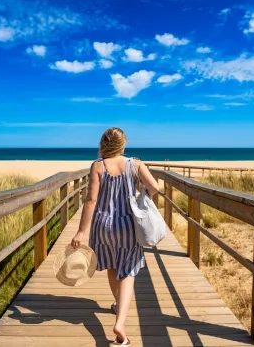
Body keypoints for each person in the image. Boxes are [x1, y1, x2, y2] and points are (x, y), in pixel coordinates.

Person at [71, 127, 160, 346]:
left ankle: (117, 304)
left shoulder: (98, 166)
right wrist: (140, 195)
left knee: (112, 266)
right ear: (123, 143)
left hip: (103, 226)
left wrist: (81, 231)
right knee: (128, 271)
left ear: (103, 143)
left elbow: (90, 201)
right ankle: (120, 322)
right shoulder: (134, 164)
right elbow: (155, 187)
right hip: (126, 225)